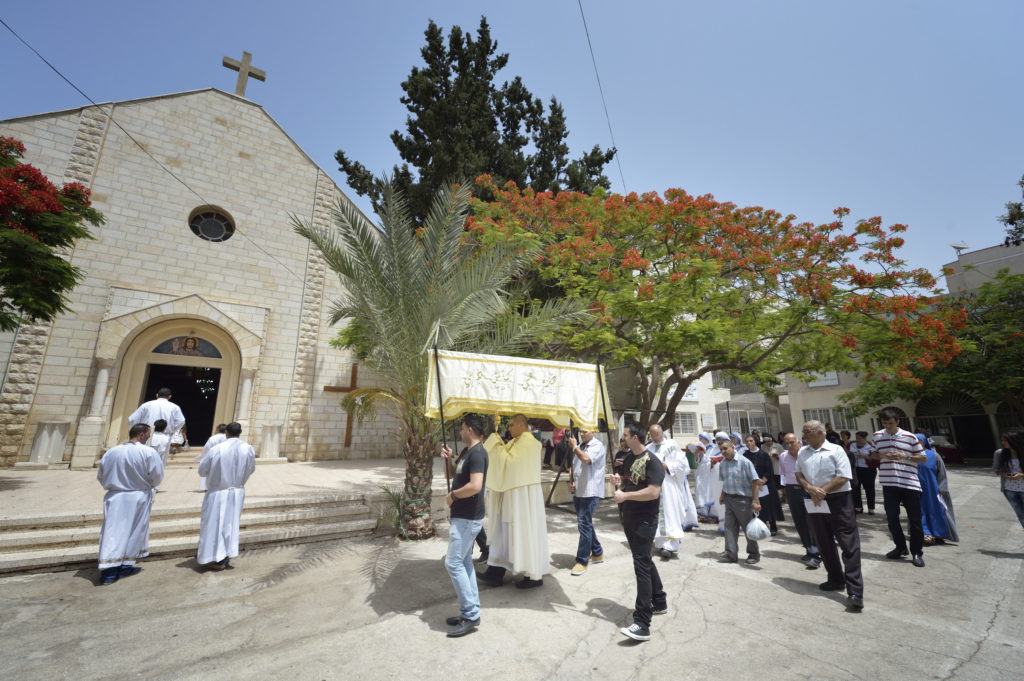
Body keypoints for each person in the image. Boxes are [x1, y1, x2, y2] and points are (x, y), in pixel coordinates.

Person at [795, 420, 864, 610]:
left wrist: (821, 491)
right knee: (823, 542)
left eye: (807, 431)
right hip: (814, 501)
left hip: (838, 500)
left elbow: (843, 477)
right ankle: (835, 578)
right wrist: (809, 488)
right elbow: (799, 473)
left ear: (819, 432)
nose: (804, 435)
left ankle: (855, 591)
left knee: (848, 544)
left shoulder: (836, 450)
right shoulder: (803, 452)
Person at [479, 414, 549, 588]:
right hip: (511, 494)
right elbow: (506, 458)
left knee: (524, 533)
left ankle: (533, 576)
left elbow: (509, 463)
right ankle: (495, 572)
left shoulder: (529, 442)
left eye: (511, 425)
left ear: (520, 425)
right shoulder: (516, 441)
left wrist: (495, 445)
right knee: (503, 534)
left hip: (523, 497)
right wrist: (498, 444)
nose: (508, 428)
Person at [613, 422, 666, 642]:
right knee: (644, 559)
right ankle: (660, 600)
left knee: (641, 566)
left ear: (635, 437)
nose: (622, 438)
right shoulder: (627, 460)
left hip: (645, 520)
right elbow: (628, 487)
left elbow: (653, 492)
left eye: (625, 435)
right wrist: (619, 484)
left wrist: (625, 496)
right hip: (629, 517)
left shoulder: (653, 462)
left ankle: (642, 623)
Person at [96, 424, 164, 585]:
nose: (149, 436)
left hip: (115, 496)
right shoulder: (148, 452)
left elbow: (101, 475)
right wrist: (146, 485)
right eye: (148, 434)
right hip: (138, 496)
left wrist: (114, 484)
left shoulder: (112, 452)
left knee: (112, 531)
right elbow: (157, 476)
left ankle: (112, 570)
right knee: (135, 530)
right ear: (141, 435)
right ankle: (120, 568)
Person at [440, 414, 489, 637]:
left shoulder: (478, 453)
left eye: (461, 429)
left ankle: (469, 614)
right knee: (464, 562)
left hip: (468, 517)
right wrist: (448, 459)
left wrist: (453, 496)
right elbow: (453, 474)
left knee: (453, 563)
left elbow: (476, 485)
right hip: (462, 516)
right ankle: (471, 610)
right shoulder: (467, 452)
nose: (459, 432)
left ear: (470, 429)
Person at [870, 408, 927, 567]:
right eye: (885, 423)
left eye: (891, 423)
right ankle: (900, 547)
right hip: (889, 483)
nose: (888, 426)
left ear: (898, 422)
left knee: (915, 520)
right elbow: (872, 454)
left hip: (909, 483)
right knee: (892, 518)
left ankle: (917, 552)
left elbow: (923, 458)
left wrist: (905, 457)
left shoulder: (910, 437)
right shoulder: (877, 436)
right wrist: (881, 455)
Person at [197, 422, 255, 570]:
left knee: (213, 524)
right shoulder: (248, 449)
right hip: (237, 492)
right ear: (240, 432)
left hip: (218, 492)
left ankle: (215, 557)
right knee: (230, 524)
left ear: (226, 433)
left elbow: (202, 470)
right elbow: (251, 468)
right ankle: (224, 555)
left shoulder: (217, 449)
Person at [647, 424, 698, 558]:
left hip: (668, 485)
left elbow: (683, 465)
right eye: (652, 435)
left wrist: (667, 466)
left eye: (657, 434)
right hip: (653, 485)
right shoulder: (648, 448)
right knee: (656, 514)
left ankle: (671, 546)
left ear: (662, 433)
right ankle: (661, 543)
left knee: (670, 513)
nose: (655, 437)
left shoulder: (672, 445)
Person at [716, 438, 763, 564]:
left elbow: (755, 482)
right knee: (729, 527)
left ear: (733, 447)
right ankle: (731, 553)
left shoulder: (744, 462)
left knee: (748, 528)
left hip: (743, 500)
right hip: (728, 499)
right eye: (721, 449)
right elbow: (726, 481)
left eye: (725, 448)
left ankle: (754, 554)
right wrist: (722, 495)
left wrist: (755, 500)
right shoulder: (723, 464)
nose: (723, 451)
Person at [567, 428, 606, 576]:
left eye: (585, 431)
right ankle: (597, 552)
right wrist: (571, 482)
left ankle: (582, 561)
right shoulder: (580, 447)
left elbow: (586, 459)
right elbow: (573, 467)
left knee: (583, 524)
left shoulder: (597, 445)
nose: (581, 434)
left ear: (593, 431)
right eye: (580, 431)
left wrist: (575, 447)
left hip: (590, 491)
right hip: (579, 489)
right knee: (586, 523)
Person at [779, 432, 821, 568]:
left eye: (792, 442)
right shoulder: (783, 456)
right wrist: (785, 491)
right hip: (792, 490)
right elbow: (783, 475)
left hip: (808, 489)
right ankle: (809, 549)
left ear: (798, 442)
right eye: (786, 443)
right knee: (799, 522)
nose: (789, 445)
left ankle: (816, 554)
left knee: (812, 521)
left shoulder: (808, 453)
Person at [916, 433, 959, 544]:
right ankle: (927, 534)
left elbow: (942, 473)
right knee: (920, 511)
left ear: (924, 442)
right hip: (917, 489)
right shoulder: (910, 457)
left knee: (937, 512)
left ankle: (939, 533)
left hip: (933, 489)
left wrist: (942, 487)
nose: (916, 443)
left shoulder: (933, 456)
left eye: (919, 441)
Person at [744, 435, 780, 535]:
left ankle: (773, 526)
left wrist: (762, 481)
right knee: (757, 506)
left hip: (765, 484)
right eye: (747, 441)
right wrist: (753, 483)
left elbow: (769, 469)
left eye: (751, 441)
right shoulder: (745, 455)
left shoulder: (763, 454)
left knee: (769, 505)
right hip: (753, 485)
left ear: (755, 442)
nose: (749, 443)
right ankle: (762, 527)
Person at [994, 432, 1024, 529]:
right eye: (1002, 440)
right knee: (1021, 515)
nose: (1003, 443)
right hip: (1010, 490)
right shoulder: (999, 453)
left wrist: (1021, 475)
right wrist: (1005, 474)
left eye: (1005, 440)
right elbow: (996, 470)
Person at [195, 424, 227, 491]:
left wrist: (202, 456)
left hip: (213, 457)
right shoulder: (227, 438)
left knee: (210, 471)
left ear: (218, 430)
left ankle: (205, 487)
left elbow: (207, 448)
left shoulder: (213, 438)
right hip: (224, 457)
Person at [849, 431, 876, 514]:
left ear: (865, 438)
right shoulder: (852, 445)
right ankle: (858, 507)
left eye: (860, 438)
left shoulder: (870, 446)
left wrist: (864, 456)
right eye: (856, 438)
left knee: (869, 489)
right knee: (856, 489)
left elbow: (874, 458)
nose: (858, 440)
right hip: (856, 469)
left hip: (868, 470)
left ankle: (871, 508)